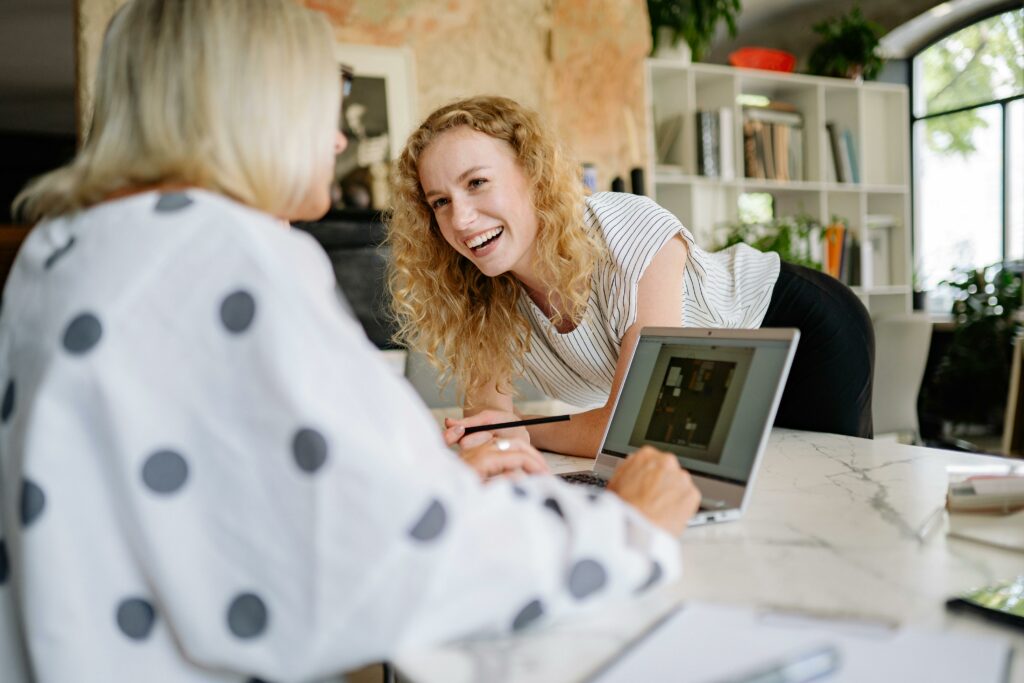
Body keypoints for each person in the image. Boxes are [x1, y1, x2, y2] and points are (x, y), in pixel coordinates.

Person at [0, 2, 702, 681]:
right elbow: (388, 565)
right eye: (322, 102)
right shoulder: (235, 255)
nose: (337, 141)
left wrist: (428, 477)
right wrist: (624, 528)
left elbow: (234, 495)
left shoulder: (59, 253)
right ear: (255, 102)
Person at [387, 96, 874, 458]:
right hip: (713, 387)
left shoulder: (626, 232)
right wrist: (500, 430)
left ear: (532, 175)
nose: (462, 219)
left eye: (477, 183)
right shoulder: (480, 294)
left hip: (800, 329)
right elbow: (487, 426)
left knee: (829, 489)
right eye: (441, 202)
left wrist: (523, 428)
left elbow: (632, 429)